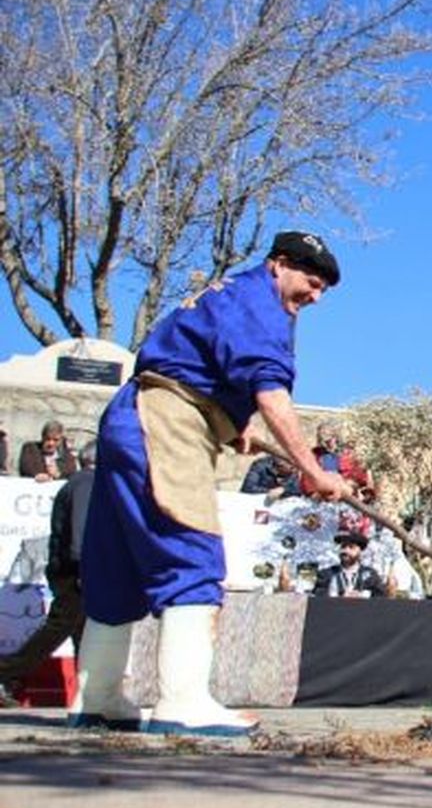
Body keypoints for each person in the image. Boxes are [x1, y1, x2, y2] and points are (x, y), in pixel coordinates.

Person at [71, 230, 352, 736]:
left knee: (116, 565)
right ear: (278, 264)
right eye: (310, 282)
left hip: (134, 414)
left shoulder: (230, 292)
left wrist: (231, 419)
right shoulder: (261, 307)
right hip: (167, 420)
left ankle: (97, 696)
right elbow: (271, 394)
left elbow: (203, 360)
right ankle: (183, 702)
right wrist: (314, 471)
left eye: (324, 291)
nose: (315, 296)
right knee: (192, 549)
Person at [0, 443, 97, 706]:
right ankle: (5, 672)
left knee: (81, 633)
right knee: (59, 629)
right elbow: (81, 531)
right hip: (75, 571)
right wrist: (83, 567)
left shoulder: (79, 482)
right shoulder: (88, 484)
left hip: (71, 569)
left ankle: (90, 695)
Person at [314, 531, 387, 598]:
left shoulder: (371, 574)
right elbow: (318, 594)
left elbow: (381, 596)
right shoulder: (326, 574)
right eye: (343, 547)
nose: (346, 550)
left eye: (351, 547)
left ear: (360, 551)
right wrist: (340, 595)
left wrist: (362, 595)